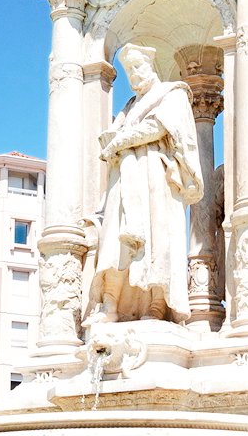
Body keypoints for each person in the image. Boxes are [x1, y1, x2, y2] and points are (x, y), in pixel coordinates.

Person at [84, 43, 204, 325]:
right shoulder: (129, 106)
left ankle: (157, 306)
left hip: (157, 177)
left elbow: (159, 127)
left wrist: (120, 140)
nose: (134, 76)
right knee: (115, 240)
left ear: (152, 66)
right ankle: (110, 304)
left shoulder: (172, 94)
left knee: (158, 241)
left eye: (138, 68)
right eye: (129, 71)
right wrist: (113, 137)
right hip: (125, 179)